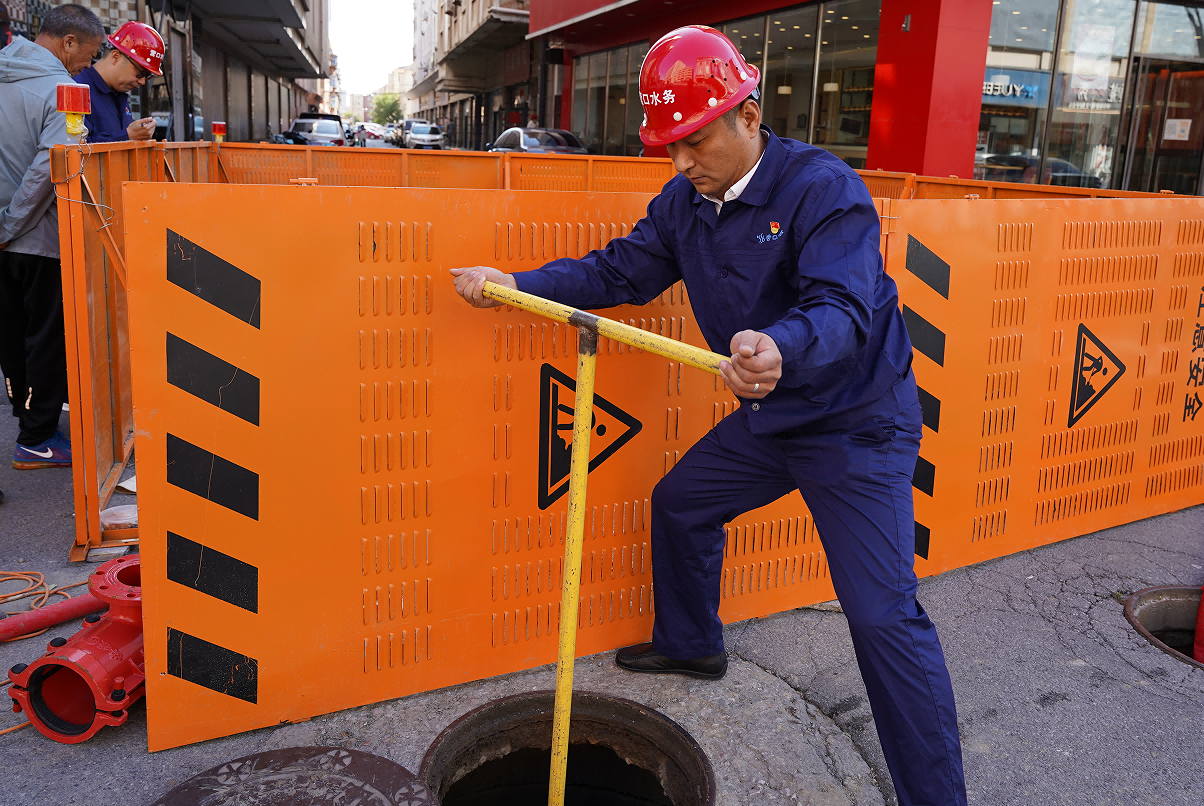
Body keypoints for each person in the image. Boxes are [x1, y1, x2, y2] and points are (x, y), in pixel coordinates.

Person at [451, 25, 966, 806]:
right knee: (682, 503)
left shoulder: (823, 189)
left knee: (881, 619)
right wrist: (515, 284)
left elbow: (844, 307)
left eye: (694, 141)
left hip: (855, 425)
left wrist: (781, 346)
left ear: (749, 115)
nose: (682, 162)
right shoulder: (683, 203)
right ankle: (692, 645)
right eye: (670, 146)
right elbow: (619, 271)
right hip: (770, 417)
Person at [0, 4, 104, 472]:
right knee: (46, 340)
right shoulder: (66, 92)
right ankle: (37, 438)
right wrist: (10, 225)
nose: (88, 64)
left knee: (11, 336)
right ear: (68, 42)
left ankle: (29, 421)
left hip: (4, 238)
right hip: (37, 238)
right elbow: (51, 168)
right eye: (89, 53)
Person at [73, 20, 161, 143]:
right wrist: (127, 136)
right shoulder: (76, 89)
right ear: (115, 57)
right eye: (141, 72)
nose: (142, 81)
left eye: (147, 76)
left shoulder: (118, 93)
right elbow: (74, 147)